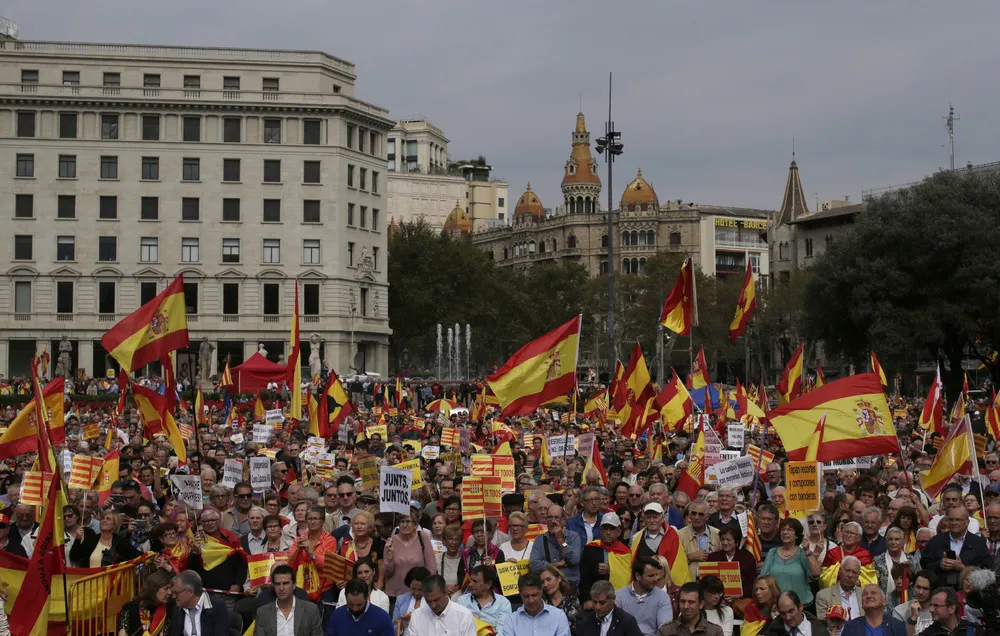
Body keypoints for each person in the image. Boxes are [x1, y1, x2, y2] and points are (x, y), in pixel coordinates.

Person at [920, 506, 991, 588]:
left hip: (969, 590)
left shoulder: (978, 543)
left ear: (967, 522)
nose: (954, 523)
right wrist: (939, 565)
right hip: (940, 589)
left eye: (958, 520)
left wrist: (964, 569)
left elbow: (985, 570)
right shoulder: (936, 541)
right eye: (951, 519)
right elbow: (924, 564)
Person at [253, 564, 323, 636]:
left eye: (285, 583)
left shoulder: (311, 610)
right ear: (273, 586)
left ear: (294, 585)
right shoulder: (262, 613)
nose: (281, 588)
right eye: (277, 584)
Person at [579, 511, 632, 607]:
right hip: (594, 600)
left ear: (619, 532)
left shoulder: (625, 552)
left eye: (611, 529)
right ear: (600, 530)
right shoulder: (590, 548)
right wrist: (587, 599)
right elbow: (584, 577)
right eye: (605, 529)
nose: (608, 533)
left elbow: (626, 577)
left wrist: (611, 570)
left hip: (618, 600)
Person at [615, 556, 674, 636]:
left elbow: (664, 628)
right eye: (651, 576)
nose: (656, 579)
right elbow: (614, 627)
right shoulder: (618, 596)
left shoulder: (662, 597)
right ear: (638, 576)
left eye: (656, 575)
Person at [403, 574, 477, 636]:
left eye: (436, 600)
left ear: (445, 593)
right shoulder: (417, 615)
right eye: (428, 601)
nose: (433, 605)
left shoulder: (464, 615)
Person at [500, 572, 571, 636]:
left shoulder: (558, 616)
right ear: (520, 594)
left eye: (534, 595)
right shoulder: (512, 620)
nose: (531, 600)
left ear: (541, 591)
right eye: (526, 596)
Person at [529, 504, 582, 586]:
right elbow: (534, 565)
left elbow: (574, 560)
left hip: (569, 585)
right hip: (547, 586)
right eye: (550, 517)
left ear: (564, 520)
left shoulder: (573, 537)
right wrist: (557, 565)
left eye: (557, 518)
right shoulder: (540, 539)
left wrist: (561, 541)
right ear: (546, 520)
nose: (553, 521)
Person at [167, 570, 230, 636]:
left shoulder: (217, 607)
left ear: (190, 592)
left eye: (176, 593)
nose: (173, 596)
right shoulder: (177, 608)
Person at [326, 578, 395, 636]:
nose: (355, 609)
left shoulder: (382, 618)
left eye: (359, 605)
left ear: (367, 597)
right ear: (345, 597)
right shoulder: (337, 615)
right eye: (351, 604)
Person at [116, 569, 174, 636]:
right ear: (153, 589)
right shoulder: (130, 607)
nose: (170, 592)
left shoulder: (168, 610)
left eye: (170, 589)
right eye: (166, 588)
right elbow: (122, 633)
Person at [456, 565, 512, 632]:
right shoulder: (462, 601)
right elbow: (457, 627)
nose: (470, 585)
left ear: (488, 584)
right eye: (470, 580)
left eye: (475, 581)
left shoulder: (503, 603)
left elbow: (502, 631)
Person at [707, 525, 757, 599]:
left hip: (741, 598)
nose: (725, 542)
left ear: (736, 542)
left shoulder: (747, 558)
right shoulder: (713, 557)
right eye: (723, 539)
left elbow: (752, 583)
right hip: (717, 598)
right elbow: (708, 582)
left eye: (728, 540)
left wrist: (739, 595)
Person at [577, 580, 643, 636]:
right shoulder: (585, 621)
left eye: (602, 603)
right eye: (594, 602)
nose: (597, 607)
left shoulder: (627, 622)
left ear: (613, 598)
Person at [657, 581, 725, 636]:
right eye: (683, 601)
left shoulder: (714, 632)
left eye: (691, 602)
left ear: (701, 604)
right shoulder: (666, 631)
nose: (686, 606)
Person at [839, 585, 907, 636]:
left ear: (884, 602)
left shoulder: (897, 626)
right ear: (862, 603)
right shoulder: (851, 626)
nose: (869, 596)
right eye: (865, 594)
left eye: (873, 593)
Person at [677, 501, 721, 580]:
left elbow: (724, 560)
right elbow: (673, 564)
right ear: (689, 515)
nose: (696, 517)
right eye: (694, 513)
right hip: (688, 582)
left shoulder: (717, 534)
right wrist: (689, 558)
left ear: (707, 517)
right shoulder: (679, 535)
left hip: (712, 582)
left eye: (701, 514)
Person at [816, 556, 864, 621]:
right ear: (840, 571)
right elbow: (823, 621)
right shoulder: (823, 595)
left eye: (854, 572)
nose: (850, 575)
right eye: (847, 570)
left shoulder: (864, 594)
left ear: (859, 574)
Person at [764, 590, 830, 636]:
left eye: (791, 611)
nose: (788, 617)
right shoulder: (772, 631)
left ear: (800, 606)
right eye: (783, 614)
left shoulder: (821, 630)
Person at [540, 564, 583, 632]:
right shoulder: (541, 604)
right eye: (542, 582)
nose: (545, 585)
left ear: (558, 579)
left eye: (549, 580)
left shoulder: (571, 598)